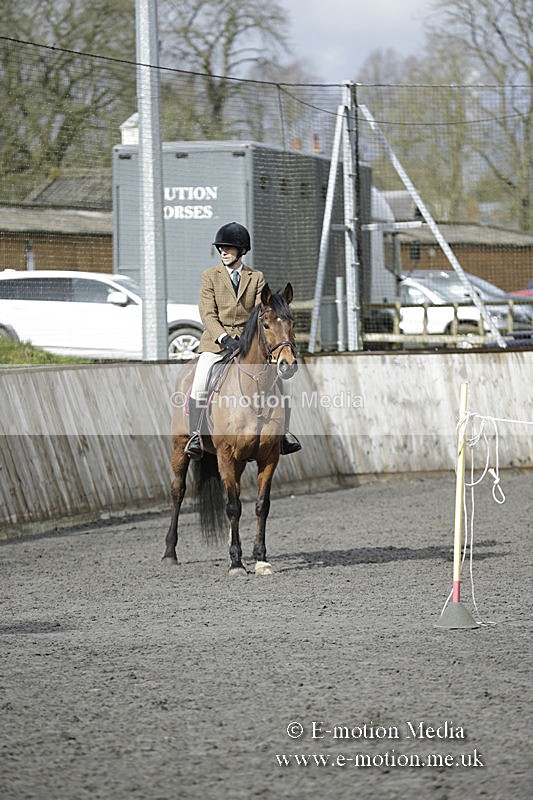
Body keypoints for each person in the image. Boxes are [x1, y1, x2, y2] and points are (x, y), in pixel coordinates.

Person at [185, 221, 301, 460]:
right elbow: (207, 313)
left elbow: (262, 310)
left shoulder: (255, 277)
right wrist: (225, 338)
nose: (223, 252)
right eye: (221, 248)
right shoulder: (210, 277)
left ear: (242, 251)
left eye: (228, 248)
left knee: (279, 381)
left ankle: (284, 434)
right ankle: (196, 434)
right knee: (200, 380)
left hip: (248, 344)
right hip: (216, 343)